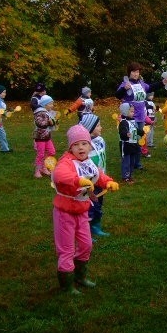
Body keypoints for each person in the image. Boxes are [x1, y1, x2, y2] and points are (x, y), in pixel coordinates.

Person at [51, 125, 119, 294]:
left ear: (90, 146)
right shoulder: (66, 162)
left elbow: (98, 175)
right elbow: (60, 175)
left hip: (82, 211)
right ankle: (67, 285)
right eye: (76, 144)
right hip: (65, 212)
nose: (80, 147)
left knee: (86, 244)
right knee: (66, 248)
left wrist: (108, 182)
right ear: (70, 147)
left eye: (84, 144)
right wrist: (78, 180)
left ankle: (80, 277)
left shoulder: (88, 161)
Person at [115, 61, 167, 169]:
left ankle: (137, 163)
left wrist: (162, 83)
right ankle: (129, 161)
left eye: (137, 72)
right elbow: (117, 95)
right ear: (129, 73)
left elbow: (150, 88)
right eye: (133, 72)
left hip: (141, 115)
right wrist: (124, 89)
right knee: (131, 139)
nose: (136, 74)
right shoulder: (126, 83)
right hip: (130, 117)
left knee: (140, 139)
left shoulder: (141, 83)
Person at [79, 114, 111, 239]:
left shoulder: (99, 140)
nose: (101, 127)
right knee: (89, 207)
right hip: (89, 183)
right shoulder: (84, 145)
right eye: (98, 125)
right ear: (89, 128)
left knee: (98, 205)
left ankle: (96, 227)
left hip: (101, 180)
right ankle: (85, 231)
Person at [33, 95, 57, 178]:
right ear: (45, 104)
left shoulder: (47, 112)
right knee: (40, 154)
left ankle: (44, 167)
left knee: (51, 151)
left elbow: (51, 123)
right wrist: (49, 121)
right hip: (40, 137)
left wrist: (53, 122)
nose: (52, 105)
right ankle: (37, 171)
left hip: (47, 136)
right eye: (50, 104)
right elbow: (39, 124)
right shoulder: (39, 112)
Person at [118, 102, 140, 183]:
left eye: (133, 111)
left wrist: (141, 132)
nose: (133, 113)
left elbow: (136, 130)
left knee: (132, 161)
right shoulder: (123, 122)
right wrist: (126, 134)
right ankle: (125, 176)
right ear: (125, 112)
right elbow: (122, 132)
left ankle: (130, 175)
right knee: (126, 161)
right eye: (131, 111)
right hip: (126, 144)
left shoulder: (132, 121)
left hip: (133, 144)